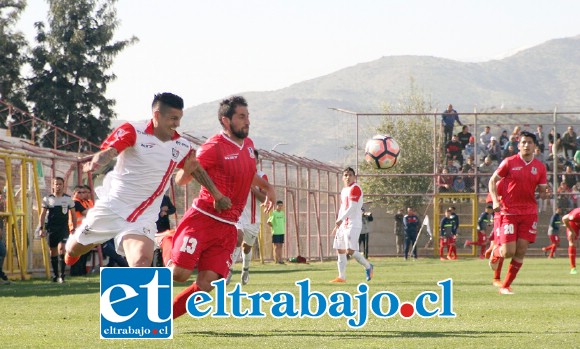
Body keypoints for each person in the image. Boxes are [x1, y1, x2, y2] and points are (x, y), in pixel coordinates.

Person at [158, 95, 276, 320]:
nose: (247, 121)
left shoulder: (249, 146)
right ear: (225, 120)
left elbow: (247, 174)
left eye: (248, 116)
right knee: (178, 274)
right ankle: (167, 239)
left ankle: (161, 316)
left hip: (228, 227)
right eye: (241, 117)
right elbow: (182, 179)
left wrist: (268, 188)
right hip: (203, 219)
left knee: (207, 284)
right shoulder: (213, 147)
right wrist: (190, 170)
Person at [64, 92, 197, 268]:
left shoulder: (181, 145)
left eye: (179, 118)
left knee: (141, 263)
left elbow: (186, 176)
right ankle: (74, 250)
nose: (177, 124)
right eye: (173, 118)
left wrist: (217, 195)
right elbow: (111, 151)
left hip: (144, 216)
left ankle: (162, 239)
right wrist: (98, 161)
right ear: (157, 115)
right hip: (113, 207)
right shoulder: (134, 130)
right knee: (75, 250)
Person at [488, 131, 549, 295]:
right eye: (523, 142)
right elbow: (492, 180)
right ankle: (495, 252)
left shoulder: (540, 167)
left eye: (529, 142)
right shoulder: (509, 162)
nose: (526, 145)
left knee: (521, 250)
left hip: (529, 213)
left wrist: (546, 193)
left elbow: (542, 191)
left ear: (535, 146)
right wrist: (495, 201)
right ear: (518, 145)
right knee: (508, 252)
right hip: (509, 212)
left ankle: (505, 286)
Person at [227, 149, 269, 285]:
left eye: (253, 159)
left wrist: (252, 188)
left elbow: (264, 199)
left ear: (257, 161)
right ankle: (228, 270)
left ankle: (245, 269)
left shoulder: (262, 177)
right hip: (237, 216)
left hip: (253, 219)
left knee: (247, 247)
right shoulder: (237, 174)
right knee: (237, 238)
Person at [330, 167, 373, 283]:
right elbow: (343, 207)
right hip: (343, 224)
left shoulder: (355, 188)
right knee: (340, 249)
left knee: (350, 250)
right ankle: (341, 277)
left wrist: (341, 220)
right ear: (343, 177)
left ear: (354, 177)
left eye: (350, 175)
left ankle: (368, 266)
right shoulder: (344, 190)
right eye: (345, 175)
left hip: (353, 224)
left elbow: (352, 207)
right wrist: (338, 222)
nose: (347, 177)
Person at [39, 177, 77, 283]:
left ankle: (62, 275)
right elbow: (42, 215)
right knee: (53, 251)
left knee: (62, 249)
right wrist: (41, 228)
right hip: (51, 228)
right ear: (52, 185)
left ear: (63, 185)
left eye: (60, 184)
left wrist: (74, 228)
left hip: (63, 228)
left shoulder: (68, 199)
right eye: (56, 184)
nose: (58, 186)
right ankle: (55, 275)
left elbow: (73, 215)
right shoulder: (48, 199)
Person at [69, 185, 94, 276]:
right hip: (76, 230)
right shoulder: (75, 202)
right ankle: (75, 272)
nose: (82, 194)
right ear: (74, 193)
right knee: (77, 252)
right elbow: (85, 213)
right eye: (79, 192)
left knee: (84, 253)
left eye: (83, 192)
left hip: (84, 230)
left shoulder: (84, 202)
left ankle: (82, 272)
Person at [153, 194, 176, 267]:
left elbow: (173, 209)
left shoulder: (165, 198)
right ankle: (155, 265)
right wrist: (160, 210)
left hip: (165, 226)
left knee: (165, 245)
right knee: (156, 247)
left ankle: (165, 264)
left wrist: (166, 212)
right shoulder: (152, 196)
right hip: (155, 226)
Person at [562, 208, 580, 274]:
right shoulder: (575, 215)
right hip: (573, 224)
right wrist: (571, 231)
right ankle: (573, 268)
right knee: (572, 242)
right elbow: (564, 219)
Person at [268, 200, 286, 264]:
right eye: (279, 206)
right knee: (276, 246)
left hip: (281, 232)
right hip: (275, 232)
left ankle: (281, 259)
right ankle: (277, 259)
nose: (280, 207)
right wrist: (274, 227)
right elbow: (269, 222)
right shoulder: (274, 213)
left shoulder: (282, 213)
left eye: (281, 206)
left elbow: (283, 221)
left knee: (280, 246)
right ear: (276, 206)